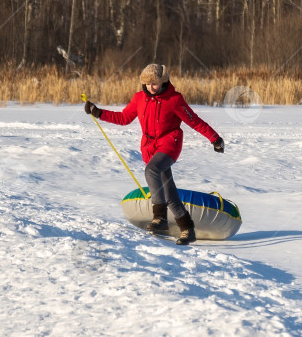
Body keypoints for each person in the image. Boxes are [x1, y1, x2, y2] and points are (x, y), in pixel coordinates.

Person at [84, 64, 224, 245]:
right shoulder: (139, 99)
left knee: (152, 170)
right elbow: (123, 118)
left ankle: (159, 216)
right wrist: (98, 112)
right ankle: (187, 229)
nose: (151, 87)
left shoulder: (174, 99)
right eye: (148, 83)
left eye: (155, 83)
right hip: (150, 148)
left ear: (163, 81)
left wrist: (215, 138)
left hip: (169, 144)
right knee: (169, 193)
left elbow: (194, 121)